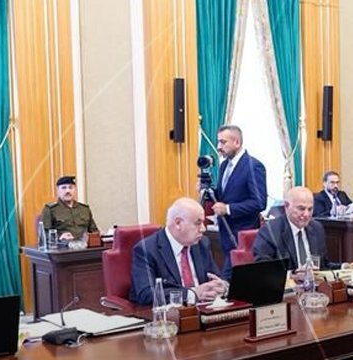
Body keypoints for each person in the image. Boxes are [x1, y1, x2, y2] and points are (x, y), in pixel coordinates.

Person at [129, 197, 226, 304]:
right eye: (198, 223)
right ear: (178, 223)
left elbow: (214, 278)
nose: (203, 229)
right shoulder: (147, 249)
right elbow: (146, 293)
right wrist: (192, 294)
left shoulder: (202, 243)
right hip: (171, 312)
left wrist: (221, 287)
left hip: (204, 309)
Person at [212, 124, 267, 272]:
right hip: (226, 234)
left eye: (223, 142)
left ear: (237, 142)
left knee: (228, 278)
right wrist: (209, 191)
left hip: (243, 237)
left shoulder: (253, 166)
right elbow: (226, 195)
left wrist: (228, 209)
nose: (219, 147)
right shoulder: (224, 165)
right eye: (218, 142)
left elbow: (259, 202)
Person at [252, 186, 338, 271]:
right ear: (286, 206)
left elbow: (324, 265)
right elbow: (264, 270)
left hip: (314, 279)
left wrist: (343, 267)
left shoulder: (317, 228)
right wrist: (292, 275)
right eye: (301, 209)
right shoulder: (270, 231)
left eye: (310, 209)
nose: (306, 214)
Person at [40, 175, 99, 243]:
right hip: (63, 247)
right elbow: (44, 235)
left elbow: (94, 231)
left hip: (84, 246)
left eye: (71, 187)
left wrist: (98, 235)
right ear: (58, 190)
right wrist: (59, 237)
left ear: (75, 190)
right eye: (64, 188)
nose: (67, 191)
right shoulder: (50, 209)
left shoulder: (84, 209)